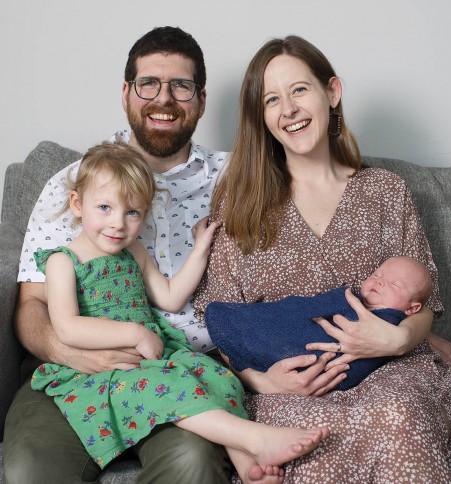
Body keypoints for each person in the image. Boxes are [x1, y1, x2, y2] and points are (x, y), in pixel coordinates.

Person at [193, 35, 451, 482]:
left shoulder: (385, 192)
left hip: (390, 374)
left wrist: (396, 341)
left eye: (299, 90)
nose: (289, 109)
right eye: (272, 99)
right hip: (286, 389)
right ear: (262, 118)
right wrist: (261, 381)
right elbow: (217, 319)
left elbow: (424, 304)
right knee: (309, 440)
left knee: (398, 418)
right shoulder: (239, 206)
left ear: (331, 92)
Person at [5, 26, 232, 484]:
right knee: (29, 468)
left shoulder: (238, 181)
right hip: (73, 363)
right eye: (148, 83)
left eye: (181, 86)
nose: (163, 98)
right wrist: (66, 350)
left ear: (202, 100)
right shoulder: (72, 185)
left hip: (176, 369)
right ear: (126, 93)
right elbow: (33, 304)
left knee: (191, 463)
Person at [31, 142, 329, 482]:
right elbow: (67, 328)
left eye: (132, 212)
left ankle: (247, 465)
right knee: (168, 388)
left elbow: (170, 298)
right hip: (102, 368)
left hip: (153, 354)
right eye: (104, 207)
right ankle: (257, 439)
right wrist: (135, 333)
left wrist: (201, 248)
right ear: (77, 204)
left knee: (216, 377)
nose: (118, 224)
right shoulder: (62, 261)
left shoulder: (134, 251)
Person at [205, 256, 432, 390]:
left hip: (360, 381)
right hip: (272, 380)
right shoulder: (351, 300)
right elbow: (299, 309)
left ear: (411, 309)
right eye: (376, 274)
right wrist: (262, 384)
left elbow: (429, 312)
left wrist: (401, 338)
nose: (379, 282)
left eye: (394, 284)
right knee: (288, 312)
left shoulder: (388, 190)